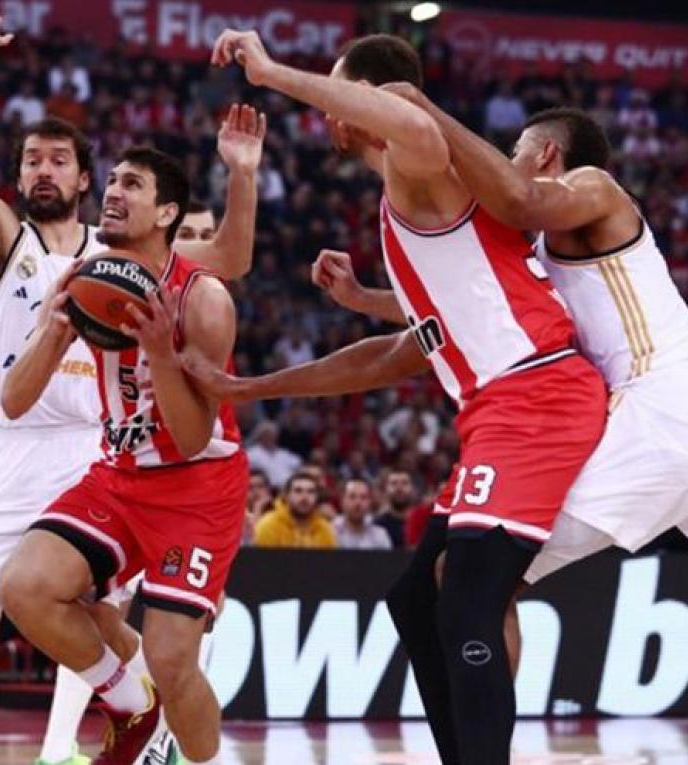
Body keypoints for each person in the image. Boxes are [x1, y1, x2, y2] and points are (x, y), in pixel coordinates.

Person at [206, 32, 609, 764]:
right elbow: (392, 355)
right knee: (416, 600)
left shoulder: (420, 164)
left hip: (537, 394)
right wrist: (254, 385)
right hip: (499, 406)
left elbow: (414, 120)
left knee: (469, 599)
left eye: (340, 92)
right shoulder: (407, 211)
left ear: (367, 97)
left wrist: (269, 73)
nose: (330, 111)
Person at [383, 92, 688, 735]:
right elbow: (462, 305)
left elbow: (516, 198)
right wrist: (364, 297)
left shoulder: (593, 187)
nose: (507, 161)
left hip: (668, 415)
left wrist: (426, 111)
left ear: (547, 154)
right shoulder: (544, 255)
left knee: (472, 579)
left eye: (515, 150)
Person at [0, 8, 262, 765]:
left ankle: (118, 738)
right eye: (31, 160)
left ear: (81, 175)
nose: (45, 170)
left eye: (60, 159)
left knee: (127, 629)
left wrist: (241, 175)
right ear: (18, 177)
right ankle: (130, 710)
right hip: (20, 444)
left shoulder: (125, 254)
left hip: (104, 447)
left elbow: (228, 260)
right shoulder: (6, 240)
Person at [0, 145, 245, 765]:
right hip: (121, 474)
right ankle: (131, 703)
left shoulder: (203, 299)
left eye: (131, 184)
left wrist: (161, 354)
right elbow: (13, 400)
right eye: (110, 181)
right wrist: (55, 333)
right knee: (24, 586)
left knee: (172, 658)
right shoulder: (85, 279)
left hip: (197, 485)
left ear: (166, 213)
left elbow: (192, 437)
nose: (111, 192)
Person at [253, 471, 337, 549]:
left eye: (311, 492)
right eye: (298, 491)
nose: (304, 497)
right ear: (286, 495)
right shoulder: (268, 525)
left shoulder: (325, 529)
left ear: (317, 497)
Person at [334, 478, 393, 550]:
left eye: (363, 497)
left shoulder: (380, 535)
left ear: (370, 502)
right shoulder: (330, 532)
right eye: (352, 497)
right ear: (342, 501)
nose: (358, 503)